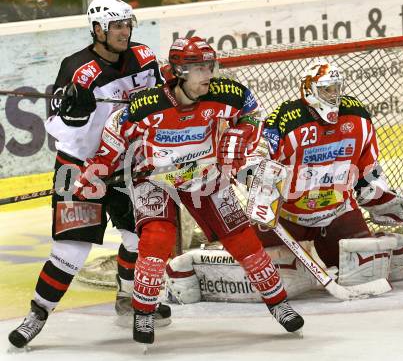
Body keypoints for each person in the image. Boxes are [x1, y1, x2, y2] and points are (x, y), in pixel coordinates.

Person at [73, 36, 305, 345]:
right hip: (156, 178)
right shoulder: (148, 105)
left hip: (205, 173)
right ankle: (143, 311)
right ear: (179, 72)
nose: (208, 75)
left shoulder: (225, 94)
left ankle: (278, 303)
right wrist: (97, 170)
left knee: (241, 237)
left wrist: (240, 133)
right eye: (199, 69)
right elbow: (116, 130)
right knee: (157, 237)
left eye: (209, 66)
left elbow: (253, 111)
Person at [8, 0, 169, 349]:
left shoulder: (144, 58)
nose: (124, 32)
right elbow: (56, 127)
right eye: (116, 26)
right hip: (82, 168)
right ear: (97, 29)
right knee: (71, 251)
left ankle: (129, 297)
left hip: (128, 164)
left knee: (140, 240)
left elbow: (160, 102)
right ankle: (37, 313)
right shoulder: (77, 68)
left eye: (127, 25)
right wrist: (74, 114)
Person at [254, 59, 403, 286]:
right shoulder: (286, 120)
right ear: (309, 90)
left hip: (337, 214)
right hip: (288, 217)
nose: (333, 95)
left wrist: (379, 197)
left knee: (367, 272)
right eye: (326, 89)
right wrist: (262, 187)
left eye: (336, 88)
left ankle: (388, 243)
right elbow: (259, 161)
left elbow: (367, 170)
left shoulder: (357, 118)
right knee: (259, 272)